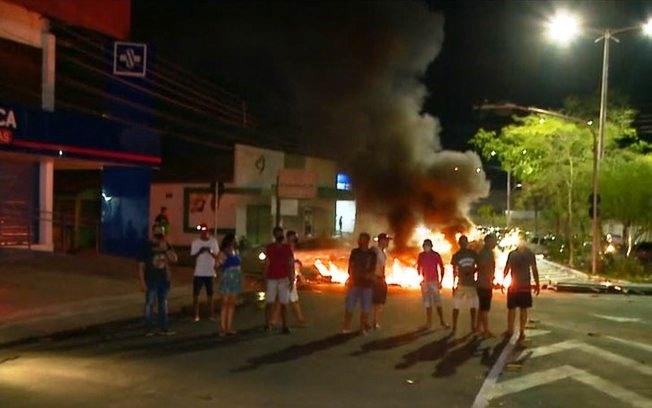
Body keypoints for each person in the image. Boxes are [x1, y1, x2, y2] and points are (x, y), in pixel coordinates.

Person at [139, 224, 178, 336]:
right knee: (150, 304)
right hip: (151, 279)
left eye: (162, 232)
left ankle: (164, 328)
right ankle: (148, 329)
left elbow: (174, 259)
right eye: (158, 232)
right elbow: (141, 265)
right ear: (153, 232)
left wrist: (165, 249)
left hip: (163, 279)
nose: (160, 234)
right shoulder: (147, 246)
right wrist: (142, 281)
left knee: (163, 304)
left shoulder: (166, 245)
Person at [502, 232, 540, 344]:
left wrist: (503, 280)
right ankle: (521, 331)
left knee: (512, 309)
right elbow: (534, 269)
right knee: (522, 309)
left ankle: (511, 330)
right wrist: (537, 284)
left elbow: (507, 268)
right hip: (524, 286)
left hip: (515, 286)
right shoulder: (529, 254)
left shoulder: (512, 254)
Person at [342, 233, 376, 334]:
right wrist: (352, 277)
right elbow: (351, 266)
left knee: (365, 308)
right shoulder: (355, 252)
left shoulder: (372, 254)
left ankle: (362, 328)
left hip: (367, 284)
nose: (361, 241)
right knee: (350, 306)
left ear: (367, 241)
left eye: (363, 239)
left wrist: (368, 275)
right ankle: (346, 327)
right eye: (360, 239)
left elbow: (372, 269)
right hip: (355, 283)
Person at [264, 226, 295, 334]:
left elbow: (290, 263)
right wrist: (265, 278)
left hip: (283, 278)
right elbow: (267, 263)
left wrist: (291, 278)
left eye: (281, 234)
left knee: (284, 303)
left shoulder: (287, 248)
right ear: (275, 235)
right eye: (278, 234)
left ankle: (285, 325)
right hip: (272, 278)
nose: (280, 236)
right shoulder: (270, 247)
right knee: (270, 302)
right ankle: (268, 324)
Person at [417, 239, 449, 329]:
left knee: (437, 303)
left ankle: (442, 321)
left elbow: (442, 268)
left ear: (431, 246)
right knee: (427, 304)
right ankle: (429, 323)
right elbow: (418, 267)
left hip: (434, 282)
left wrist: (440, 281)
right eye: (424, 246)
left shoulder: (435, 255)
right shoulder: (421, 255)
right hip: (425, 282)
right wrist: (421, 278)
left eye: (427, 246)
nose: (425, 247)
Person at [190, 223, 219, 322]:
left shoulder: (213, 242)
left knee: (210, 294)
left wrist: (210, 252)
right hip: (199, 272)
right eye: (201, 231)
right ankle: (196, 315)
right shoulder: (196, 242)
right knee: (196, 295)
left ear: (208, 231)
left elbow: (218, 256)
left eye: (205, 230)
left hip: (210, 272)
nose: (203, 232)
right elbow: (192, 257)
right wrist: (200, 251)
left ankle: (211, 314)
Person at [451, 235, 479, 335]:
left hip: (471, 284)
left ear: (467, 243)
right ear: (459, 243)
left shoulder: (473, 254)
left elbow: (479, 266)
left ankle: (473, 326)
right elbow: (454, 271)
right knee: (456, 306)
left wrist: (474, 275)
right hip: (461, 284)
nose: (463, 244)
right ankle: (454, 326)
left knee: (473, 306)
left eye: (464, 242)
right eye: (461, 242)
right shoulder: (456, 255)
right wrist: (453, 285)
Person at [217, 233, 242, 336]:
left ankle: (229, 327)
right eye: (234, 240)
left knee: (232, 303)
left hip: (235, 278)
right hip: (227, 277)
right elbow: (218, 264)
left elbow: (240, 265)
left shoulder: (236, 252)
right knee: (225, 303)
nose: (235, 242)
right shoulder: (223, 252)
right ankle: (223, 328)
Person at [476, 234, 497, 338]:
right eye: (494, 241)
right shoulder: (485, 253)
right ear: (488, 241)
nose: (495, 243)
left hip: (483, 283)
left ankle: (478, 327)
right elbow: (483, 267)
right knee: (484, 308)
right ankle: (486, 331)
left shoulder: (488, 252)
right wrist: (489, 279)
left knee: (481, 307)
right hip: (484, 284)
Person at [286, 230, 307, 327]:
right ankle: (300, 320)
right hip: (287, 277)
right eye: (292, 239)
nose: (293, 241)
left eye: (294, 239)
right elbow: (288, 263)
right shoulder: (287, 248)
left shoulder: (290, 248)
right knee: (292, 300)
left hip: (289, 277)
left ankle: (272, 321)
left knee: (289, 299)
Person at [371, 233, 390, 329]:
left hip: (380, 279)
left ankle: (375, 321)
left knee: (379, 302)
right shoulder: (375, 251)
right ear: (381, 241)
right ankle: (370, 322)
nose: (388, 242)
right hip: (375, 279)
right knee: (375, 301)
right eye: (386, 240)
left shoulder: (383, 253)